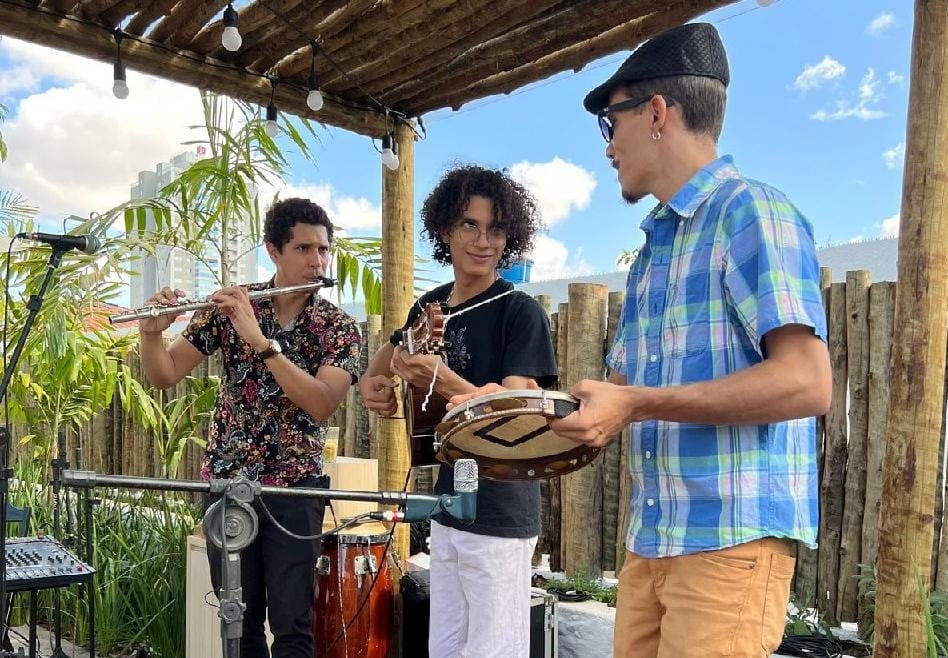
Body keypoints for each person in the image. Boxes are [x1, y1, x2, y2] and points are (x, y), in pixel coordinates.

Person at [453, 22, 832, 658]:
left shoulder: (751, 212)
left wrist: (638, 404)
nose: (608, 147)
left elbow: (807, 381)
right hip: (652, 541)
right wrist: (510, 407)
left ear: (657, 112)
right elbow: (625, 394)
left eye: (612, 122)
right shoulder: (651, 254)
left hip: (728, 544)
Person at [138, 198, 361, 658]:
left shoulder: (338, 327)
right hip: (227, 482)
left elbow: (320, 403)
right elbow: (164, 375)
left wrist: (261, 342)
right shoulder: (230, 307)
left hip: (295, 489)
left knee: (292, 623)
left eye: (323, 250)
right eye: (304, 249)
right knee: (236, 618)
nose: (317, 261)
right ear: (273, 250)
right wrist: (151, 332)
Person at [359, 165, 556, 658]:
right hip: (449, 506)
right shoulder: (429, 309)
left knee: (492, 649)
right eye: (469, 224)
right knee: (444, 646)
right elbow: (384, 362)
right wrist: (376, 387)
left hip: (501, 509)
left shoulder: (519, 311)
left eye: (495, 229)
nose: (483, 240)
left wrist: (444, 383)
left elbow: (517, 421)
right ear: (445, 229)